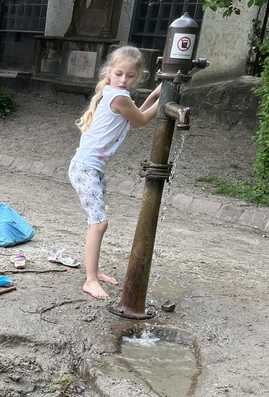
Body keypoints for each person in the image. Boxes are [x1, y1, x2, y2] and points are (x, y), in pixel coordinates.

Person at [69, 46, 161, 300]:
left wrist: (157, 92)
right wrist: (163, 100)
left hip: (93, 169)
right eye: (119, 73)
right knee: (99, 223)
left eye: (130, 76)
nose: (123, 80)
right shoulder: (119, 97)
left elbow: (136, 113)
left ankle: (94, 271)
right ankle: (90, 280)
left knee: (96, 222)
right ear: (109, 72)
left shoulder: (119, 95)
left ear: (138, 76)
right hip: (85, 168)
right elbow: (141, 120)